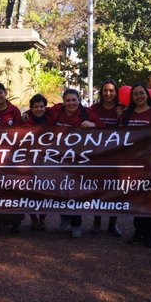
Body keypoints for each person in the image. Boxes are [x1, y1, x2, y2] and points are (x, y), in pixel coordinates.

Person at [49, 88, 103, 238]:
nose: (71, 103)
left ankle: (76, 223)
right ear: (63, 101)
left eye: (74, 100)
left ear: (79, 100)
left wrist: (92, 126)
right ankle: (64, 218)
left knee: (75, 191)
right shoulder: (57, 110)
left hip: (79, 160)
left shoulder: (87, 114)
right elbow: (41, 112)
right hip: (59, 158)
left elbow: (105, 130)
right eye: (68, 100)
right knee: (59, 189)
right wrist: (27, 115)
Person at [121, 83, 151, 248]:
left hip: (149, 161)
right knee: (137, 197)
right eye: (135, 94)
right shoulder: (127, 114)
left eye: (141, 93)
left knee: (149, 198)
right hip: (132, 162)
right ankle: (138, 232)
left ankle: (149, 234)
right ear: (132, 98)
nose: (139, 96)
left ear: (147, 95)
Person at [0, 82, 24, 233]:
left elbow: (19, 132)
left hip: (11, 155)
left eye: (0, 93)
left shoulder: (14, 111)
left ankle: (16, 221)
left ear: (5, 93)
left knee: (13, 187)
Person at [90, 79, 123, 237]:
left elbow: (128, 130)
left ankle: (112, 223)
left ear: (116, 92)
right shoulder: (94, 109)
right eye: (105, 90)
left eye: (111, 91)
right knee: (98, 188)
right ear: (101, 92)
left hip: (117, 155)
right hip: (98, 154)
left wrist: (120, 117)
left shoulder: (121, 109)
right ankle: (97, 222)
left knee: (115, 188)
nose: (108, 94)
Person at [24, 93, 50, 230]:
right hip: (30, 159)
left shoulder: (51, 120)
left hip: (46, 159)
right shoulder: (26, 121)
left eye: (41, 106)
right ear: (31, 108)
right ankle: (33, 218)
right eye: (35, 107)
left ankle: (43, 218)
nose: (39, 109)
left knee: (44, 190)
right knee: (31, 191)